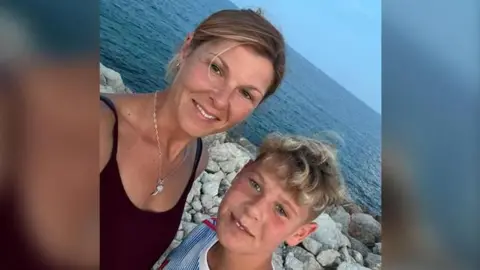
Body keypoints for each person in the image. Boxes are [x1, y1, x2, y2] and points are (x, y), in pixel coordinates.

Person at [100, 9, 286, 269]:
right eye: (216, 68)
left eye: (245, 93)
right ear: (187, 49)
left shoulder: (196, 159)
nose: (221, 100)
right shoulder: (98, 130)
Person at [156, 133, 346, 270]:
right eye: (255, 185)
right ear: (241, 172)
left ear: (299, 233)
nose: (254, 210)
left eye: (281, 210)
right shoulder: (206, 230)